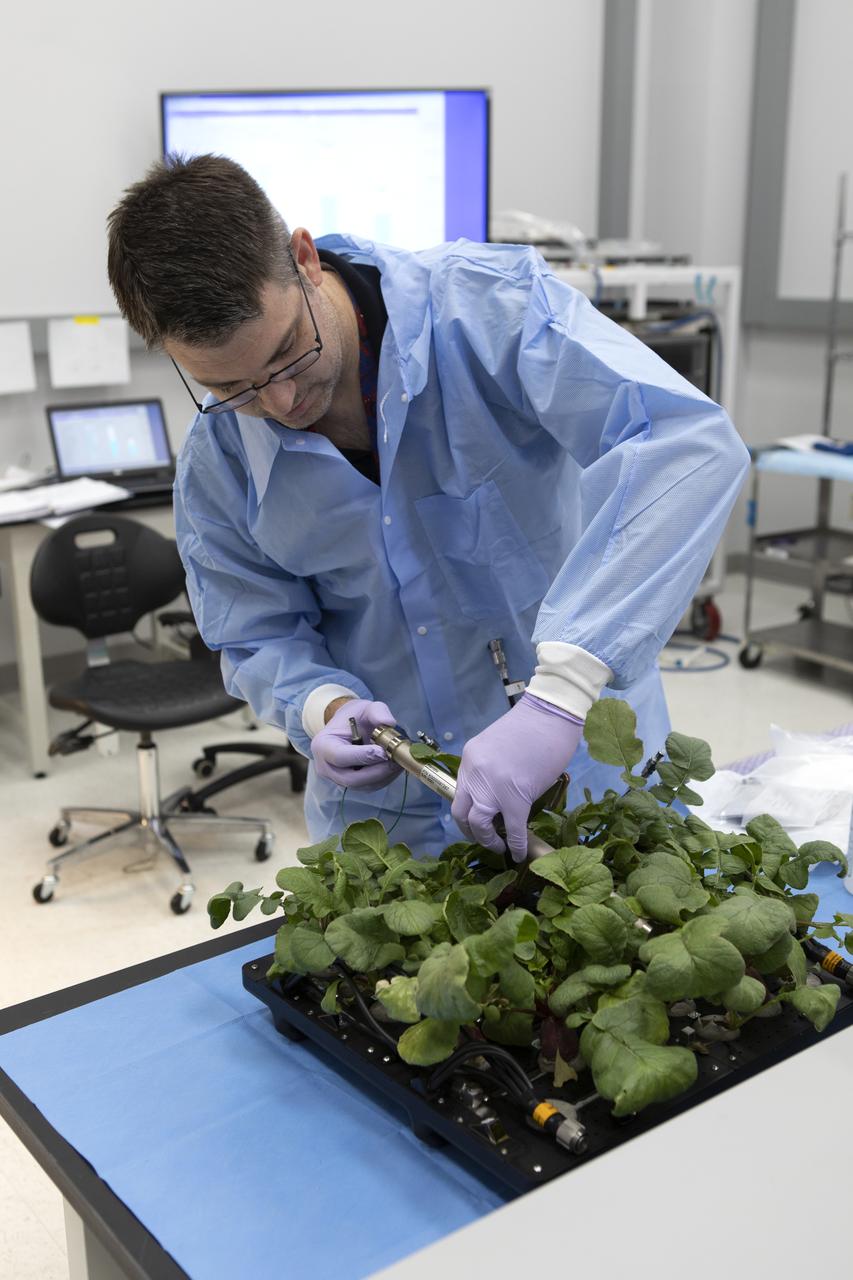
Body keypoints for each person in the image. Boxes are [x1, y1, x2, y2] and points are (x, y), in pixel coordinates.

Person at [107, 154, 749, 861]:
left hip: (583, 768)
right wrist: (321, 705)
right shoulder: (218, 460)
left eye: (288, 352)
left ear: (303, 258)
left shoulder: (486, 310)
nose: (280, 403)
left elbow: (685, 442)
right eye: (231, 385)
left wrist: (557, 695)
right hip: (393, 823)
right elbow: (255, 633)